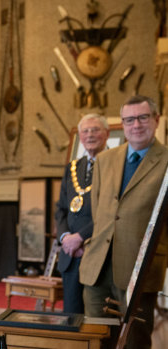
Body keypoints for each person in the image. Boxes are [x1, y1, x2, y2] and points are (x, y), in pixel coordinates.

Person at [79, 95, 168, 349]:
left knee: (135, 341)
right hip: (98, 267)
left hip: (139, 269)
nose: (136, 125)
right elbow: (98, 211)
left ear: (156, 119)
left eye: (142, 117)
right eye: (129, 120)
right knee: (96, 338)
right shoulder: (106, 159)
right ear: (123, 124)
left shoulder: (166, 161)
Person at [55, 113, 109, 314]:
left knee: (98, 317)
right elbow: (61, 208)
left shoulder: (113, 165)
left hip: (96, 251)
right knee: (72, 315)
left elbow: (110, 211)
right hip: (70, 253)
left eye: (95, 130)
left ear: (106, 133)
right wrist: (66, 237)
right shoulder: (73, 168)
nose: (90, 135)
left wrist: (81, 237)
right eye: (85, 131)